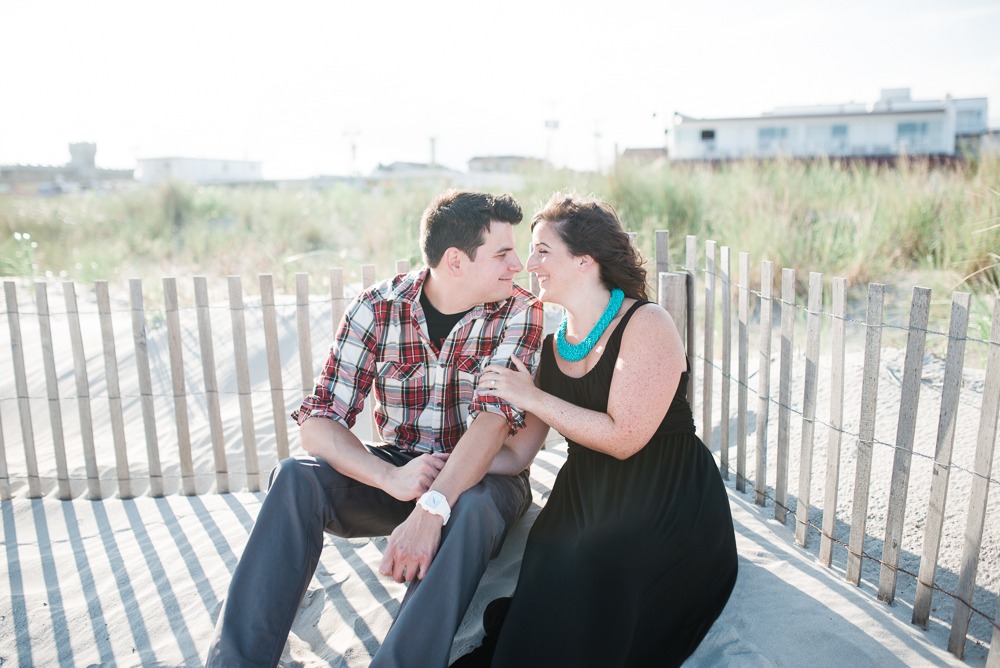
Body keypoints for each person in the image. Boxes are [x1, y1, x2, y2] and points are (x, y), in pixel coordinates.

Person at [205, 189, 548, 668]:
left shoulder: (519, 310)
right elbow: (320, 422)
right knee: (295, 477)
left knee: (470, 505)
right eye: (502, 254)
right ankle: (236, 662)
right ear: (455, 261)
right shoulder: (377, 307)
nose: (519, 265)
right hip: (403, 469)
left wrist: (432, 505)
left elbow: (492, 423)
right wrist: (391, 478)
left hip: (484, 475)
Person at [453, 193, 738, 668]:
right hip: (586, 490)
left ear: (584, 260)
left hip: (666, 490)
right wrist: (457, 466)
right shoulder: (549, 348)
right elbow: (520, 454)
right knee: (550, 556)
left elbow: (625, 438)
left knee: (605, 562)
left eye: (543, 250)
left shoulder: (646, 322)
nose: (529, 264)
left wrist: (532, 397)